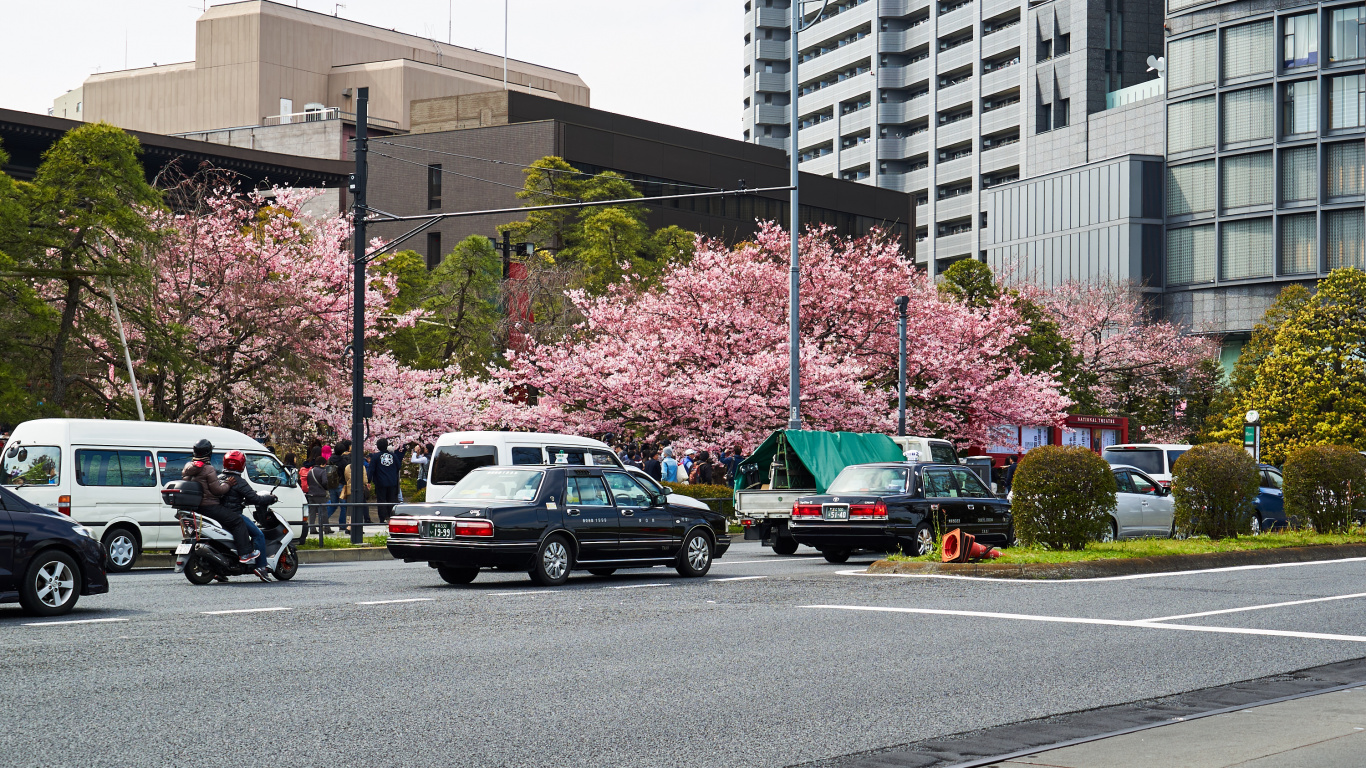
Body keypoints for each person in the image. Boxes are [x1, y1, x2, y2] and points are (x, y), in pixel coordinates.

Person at [181, 439, 258, 568]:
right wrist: (228, 483)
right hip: (210, 506)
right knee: (237, 522)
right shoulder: (208, 468)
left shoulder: (189, 467)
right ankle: (245, 554)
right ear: (209, 453)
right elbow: (217, 491)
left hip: (197, 507)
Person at [219, 450, 277, 581]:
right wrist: (270, 498)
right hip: (235, 515)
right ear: (242, 464)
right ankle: (261, 566)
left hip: (220, 515)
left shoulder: (219, 478)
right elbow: (255, 498)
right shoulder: (239, 481)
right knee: (258, 534)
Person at [368, 438, 408, 523]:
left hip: (380, 482)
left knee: (381, 501)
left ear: (378, 447)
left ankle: (383, 518)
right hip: (392, 482)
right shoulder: (393, 456)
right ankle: (392, 518)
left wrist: (368, 481)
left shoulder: (376, 457)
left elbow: (371, 470)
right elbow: (398, 466)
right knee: (392, 500)